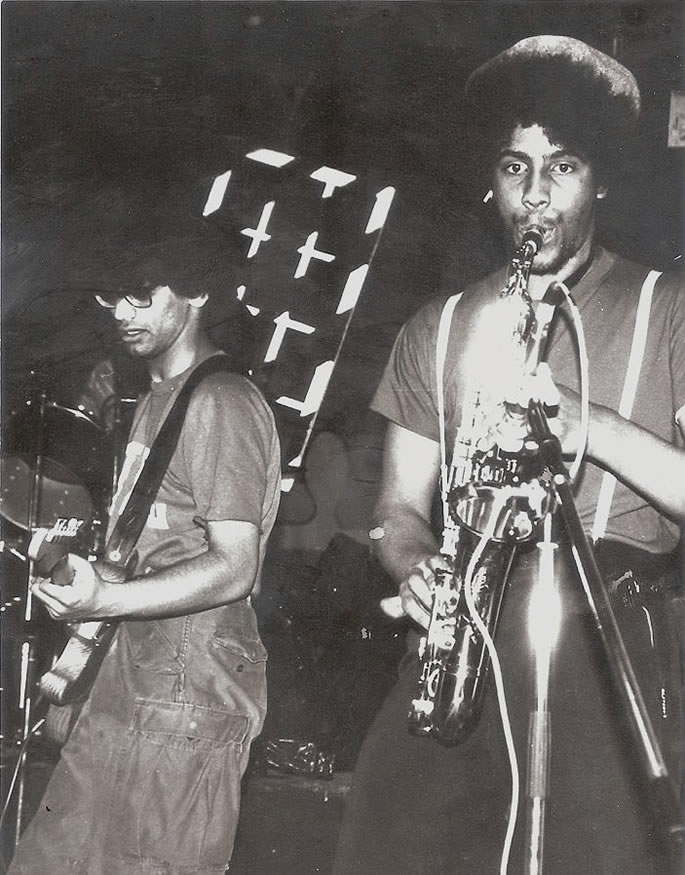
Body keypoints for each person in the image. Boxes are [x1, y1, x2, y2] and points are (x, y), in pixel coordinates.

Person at [333, 36, 684, 875]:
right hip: (464, 628)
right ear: (487, 182)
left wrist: (586, 424)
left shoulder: (668, 307)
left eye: (562, 167)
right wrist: (414, 565)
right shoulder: (436, 326)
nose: (535, 195)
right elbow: (397, 509)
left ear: (599, 179)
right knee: (384, 841)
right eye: (513, 168)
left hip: (603, 627)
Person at [9, 216, 282, 874]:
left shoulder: (222, 401)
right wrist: (82, 590)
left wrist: (106, 599)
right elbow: (147, 549)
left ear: (197, 292)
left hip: (187, 690)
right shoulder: (156, 402)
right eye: (112, 297)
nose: (121, 313)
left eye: (141, 294)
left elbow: (235, 565)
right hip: (130, 679)